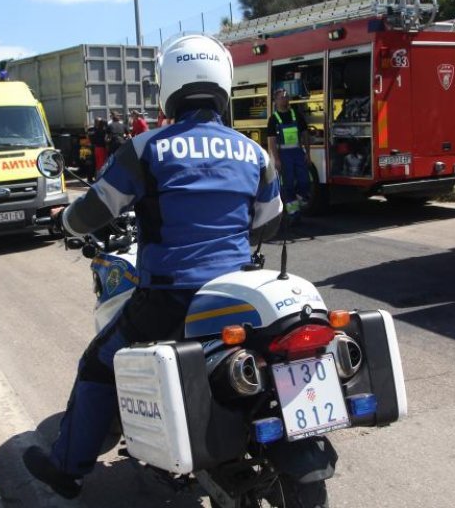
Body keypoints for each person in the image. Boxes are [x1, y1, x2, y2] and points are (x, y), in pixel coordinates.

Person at [22, 33, 283, 501]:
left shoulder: (147, 149)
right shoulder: (255, 152)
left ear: (169, 88)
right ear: (223, 84)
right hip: (238, 295)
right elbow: (270, 222)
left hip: (169, 297)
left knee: (100, 363)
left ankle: (68, 469)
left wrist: (64, 219)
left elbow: (94, 212)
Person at [266, 88, 311, 223]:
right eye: (281, 97)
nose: (285, 99)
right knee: (288, 184)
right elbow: (272, 141)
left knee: (305, 181)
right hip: (284, 156)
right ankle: (293, 214)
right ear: (276, 101)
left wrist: (308, 153)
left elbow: (305, 135)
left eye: (286, 97)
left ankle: (298, 200)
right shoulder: (273, 119)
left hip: (298, 153)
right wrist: (276, 159)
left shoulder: (296, 115)